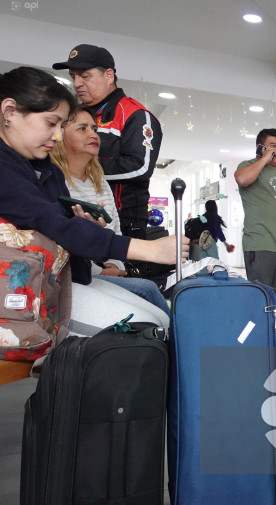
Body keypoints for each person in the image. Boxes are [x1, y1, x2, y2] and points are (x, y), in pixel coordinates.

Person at [0, 67, 186, 334]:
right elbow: (49, 222)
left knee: (161, 321)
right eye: (51, 124)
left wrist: (84, 228)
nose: (57, 136)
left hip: (60, 280)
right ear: (9, 111)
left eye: (61, 126)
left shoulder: (46, 168)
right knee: (148, 329)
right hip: (22, 293)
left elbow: (59, 225)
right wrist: (148, 249)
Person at [49, 105, 170, 316]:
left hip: (100, 270)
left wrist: (114, 264)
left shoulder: (100, 181)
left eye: (94, 129)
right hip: (72, 276)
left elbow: (115, 230)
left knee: (153, 304)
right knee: (148, 293)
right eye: (82, 128)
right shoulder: (54, 181)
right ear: (60, 135)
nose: (93, 135)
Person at [53, 44, 163, 240]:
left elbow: (140, 166)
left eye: (85, 76)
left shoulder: (134, 114)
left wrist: (85, 166)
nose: (77, 83)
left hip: (123, 216)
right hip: (73, 206)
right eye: (73, 76)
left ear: (109, 75)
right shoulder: (71, 114)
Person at [234, 128, 276, 295]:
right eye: (273, 146)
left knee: (273, 296)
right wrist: (264, 159)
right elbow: (242, 179)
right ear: (260, 148)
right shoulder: (248, 165)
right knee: (261, 296)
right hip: (260, 244)